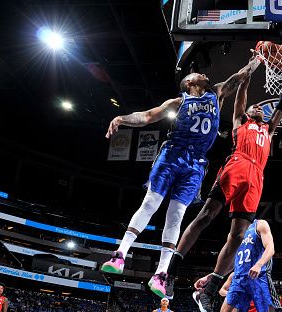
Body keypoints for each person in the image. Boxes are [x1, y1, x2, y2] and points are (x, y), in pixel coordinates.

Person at [100, 54, 261, 299]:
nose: (205, 74)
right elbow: (147, 116)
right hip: (173, 154)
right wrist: (122, 118)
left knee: (176, 215)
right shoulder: (178, 101)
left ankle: (161, 273)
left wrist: (257, 60)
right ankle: (120, 253)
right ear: (189, 83)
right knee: (151, 203)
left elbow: (240, 77)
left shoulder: (216, 93)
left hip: (196, 163)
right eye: (199, 74)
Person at [164, 73, 282, 312]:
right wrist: (247, 79)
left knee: (239, 237)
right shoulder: (241, 122)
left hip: (256, 177)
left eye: (262, 109)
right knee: (206, 215)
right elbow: (241, 101)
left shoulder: (268, 130)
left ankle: (208, 292)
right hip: (237, 166)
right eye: (256, 106)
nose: (259, 109)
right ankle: (170, 272)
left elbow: (277, 115)